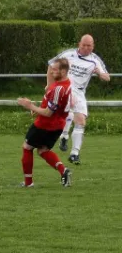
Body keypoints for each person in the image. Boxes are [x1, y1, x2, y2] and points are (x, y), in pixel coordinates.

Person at [51, 35, 110, 164]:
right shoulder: (68, 54)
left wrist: (99, 73)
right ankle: (65, 135)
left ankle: (74, 153)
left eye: (89, 45)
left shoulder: (94, 60)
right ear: (79, 44)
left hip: (79, 92)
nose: (85, 48)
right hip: (64, 87)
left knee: (81, 121)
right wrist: (49, 86)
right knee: (70, 110)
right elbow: (51, 64)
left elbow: (107, 78)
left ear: (93, 46)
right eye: (83, 45)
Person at [17, 58, 73, 187]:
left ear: (63, 71)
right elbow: (52, 104)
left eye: (54, 70)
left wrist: (30, 106)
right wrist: (37, 109)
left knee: (27, 147)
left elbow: (49, 112)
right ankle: (64, 171)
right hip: (58, 125)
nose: (51, 72)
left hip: (45, 124)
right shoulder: (65, 83)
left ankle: (28, 183)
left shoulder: (59, 89)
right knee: (43, 150)